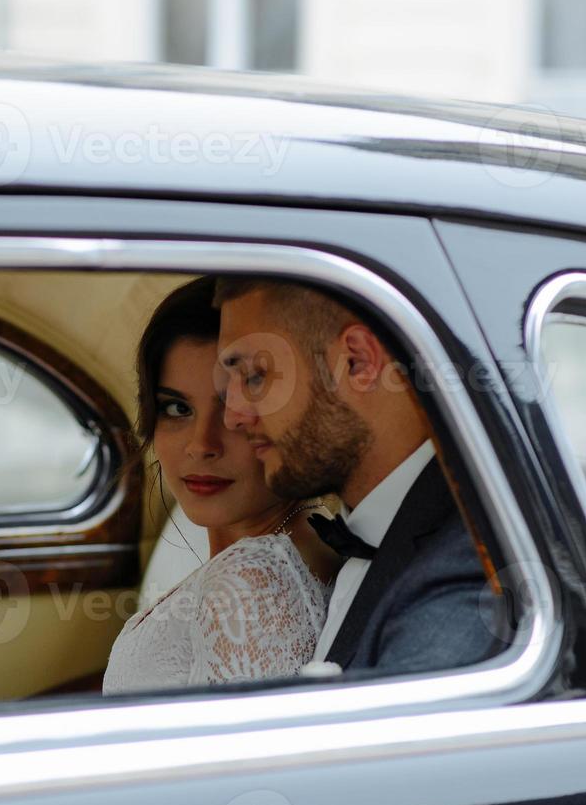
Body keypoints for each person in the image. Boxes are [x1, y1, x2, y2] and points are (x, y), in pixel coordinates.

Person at [214, 276, 504, 675]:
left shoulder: (464, 572)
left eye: (254, 376)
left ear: (357, 361)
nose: (232, 416)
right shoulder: (377, 538)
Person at [103, 278, 341, 696]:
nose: (202, 445)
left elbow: (247, 759)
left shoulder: (249, 584)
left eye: (235, 407)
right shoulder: (293, 543)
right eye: (177, 408)